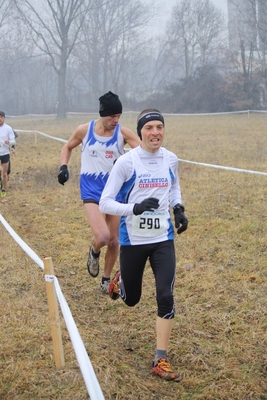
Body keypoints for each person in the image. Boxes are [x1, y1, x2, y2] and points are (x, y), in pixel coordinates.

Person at [99, 109, 188, 381]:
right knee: (132, 299)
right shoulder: (127, 163)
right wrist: (134, 208)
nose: (155, 132)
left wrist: (179, 208)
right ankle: (120, 281)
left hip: (163, 239)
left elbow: (173, 187)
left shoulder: (170, 159)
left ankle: (160, 358)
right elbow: (105, 202)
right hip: (134, 240)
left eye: (159, 127)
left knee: (165, 294)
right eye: (149, 127)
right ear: (140, 132)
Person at [58, 91, 140, 293]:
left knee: (114, 241)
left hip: (114, 192)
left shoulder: (123, 133)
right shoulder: (84, 130)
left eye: (119, 116)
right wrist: (63, 167)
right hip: (91, 190)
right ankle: (94, 251)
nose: (115, 120)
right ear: (102, 114)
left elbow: (143, 151)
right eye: (112, 116)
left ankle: (105, 279)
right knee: (102, 237)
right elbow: (67, 147)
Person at [0, 111, 16, 198]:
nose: (0, 119)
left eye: (1, 117)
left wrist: (9, 142)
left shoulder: (8, 128)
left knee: (4, 173)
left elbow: (13, 141)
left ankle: (3, 189)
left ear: (4, 118)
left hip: (5, 153)